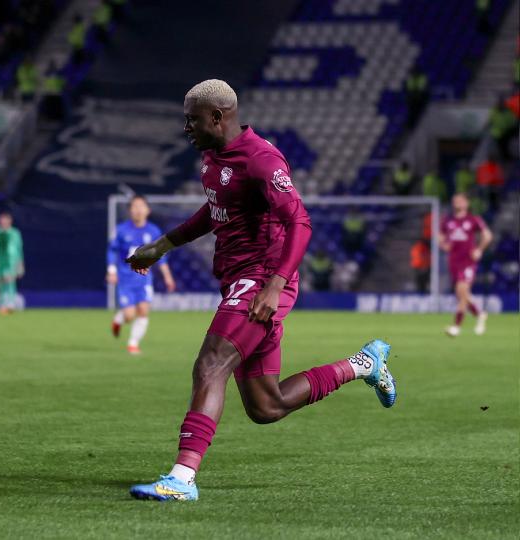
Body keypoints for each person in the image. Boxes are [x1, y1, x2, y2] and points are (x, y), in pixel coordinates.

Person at [124, 80, 396, 502]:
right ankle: (363, 364)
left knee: (211, 364)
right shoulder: (214, 157)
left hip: (262, 280)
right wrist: (162, 245)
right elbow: (215, 210)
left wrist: (275, 284)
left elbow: (299, 221)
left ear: (217, 117)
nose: (186, 128)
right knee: (267, 406)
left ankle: (182, 477)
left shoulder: (261, 159)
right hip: (240, 280)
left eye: (192, 120)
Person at [106, 196, 176, 354]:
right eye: (135, 206)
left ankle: (133, 344)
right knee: (130, 315)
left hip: (144, 279)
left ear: (148, 210)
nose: (138, 210)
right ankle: (118, 319)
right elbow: (112, 251)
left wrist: (167, 276)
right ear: (130, 210)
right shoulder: (121, 230)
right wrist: (111, 271)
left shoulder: (153, 231)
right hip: (125, 279)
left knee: (144, 310)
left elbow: (161, 255)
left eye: (141, 206)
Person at [439, 193, 492, 337]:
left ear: (467, 203)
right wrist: (443, 244)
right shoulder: (447, 220)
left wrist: (479, 250)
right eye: (455, 200)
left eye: (460, 200)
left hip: (468, 261)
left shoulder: (473, 219)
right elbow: (440, 236)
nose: (457, 203)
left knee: (462, 290)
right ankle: (480, 315)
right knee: (461, 294)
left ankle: (456, 327)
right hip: (453, 261)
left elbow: (487, 235)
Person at [0, 212, 24, 314]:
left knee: (10, 279)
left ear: (10, 221)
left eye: (6, 220)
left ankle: (11, 303)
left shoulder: (15, 233)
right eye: (2, 220)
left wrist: (20, 263)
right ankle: (2, 303)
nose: (4, 222)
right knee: (0, 281)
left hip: (11, 259)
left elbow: (19, 248)